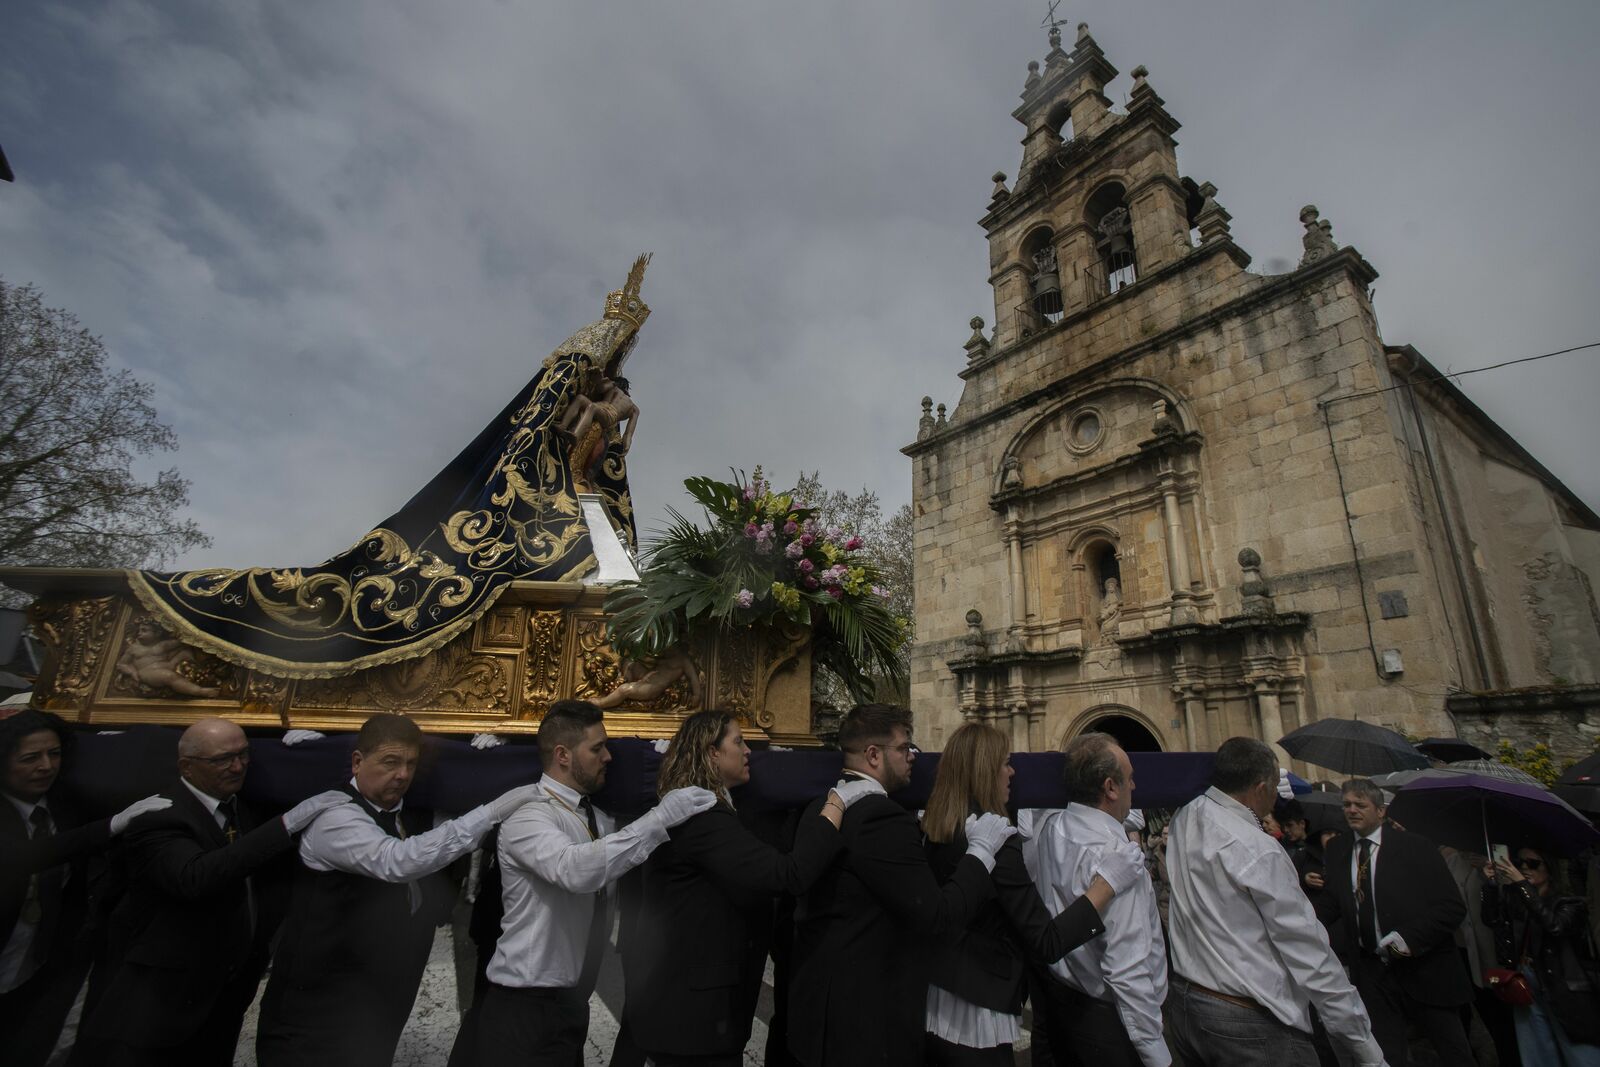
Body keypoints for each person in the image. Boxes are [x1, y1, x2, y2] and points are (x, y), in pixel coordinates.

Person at [255, 713, 545, 1067]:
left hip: (369, 1009)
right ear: (358, 762)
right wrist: (491, 812)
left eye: (411, 764)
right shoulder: (336, 817)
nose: (403, 775)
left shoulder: (403, 813)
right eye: (390, 762)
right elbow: (397, 860)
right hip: (315, 1014)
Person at [461, 700, 717, 1067]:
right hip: (523, 1008)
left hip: (568, 1005)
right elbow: (575, 870)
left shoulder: (594, 816)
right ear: (563, 755)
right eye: (597, 748)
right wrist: (659, 819)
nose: (609, 757)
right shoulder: (529, 816)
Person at [80, 718, 347, 1067]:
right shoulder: (161, 816)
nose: (237, 767)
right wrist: (285, 825)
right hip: (162, 1003)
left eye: (243, 755)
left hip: (224, 993)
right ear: (186, 766)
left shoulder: (242, 806)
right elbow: (195, 877)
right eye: (222, 759)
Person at [624, 710, 863, 1066]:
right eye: (738, 741)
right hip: (692, 1023)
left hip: (697, 1016)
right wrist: (835, 804)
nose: (748, 750)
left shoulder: (707, 810)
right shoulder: (700, 817)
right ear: (711, 753)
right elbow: (789, 874)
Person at [787, 704, 1014, 1067]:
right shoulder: (880, 816)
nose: (912, 757)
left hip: (820, 1010)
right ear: (874, 755)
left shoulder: (823, 804)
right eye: (905, 748)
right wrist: (981, 854)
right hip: (864, 1025)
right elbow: (935, 914)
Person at [924, 723, 1141, 1067]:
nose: (1011, 772)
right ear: (985, 770)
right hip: (980, 1007)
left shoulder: (940, 826)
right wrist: (1105, 886)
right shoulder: (996, 840)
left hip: (940, 993)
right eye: (1005, 763)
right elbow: (1047, 942)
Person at [1164, 737, 1385, 1067]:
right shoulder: (1258, 849)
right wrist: (1362, 1043)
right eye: (1273, 790)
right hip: (1248, 1021)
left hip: (1187, 1005)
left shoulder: (1185, 816)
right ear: (1261, 787)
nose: (1275, 800)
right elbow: (1308, 951)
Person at [0, 710, 171, 1067]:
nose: (46, 766)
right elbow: (22, 856)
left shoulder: (64, 801)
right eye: (30, 758)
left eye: (55, 754)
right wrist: (110, 826)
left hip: (36, 958)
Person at [1030, 732, 1170, 1067]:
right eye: (1130, 779)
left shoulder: (1052, 828)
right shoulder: (1118, 858)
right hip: (1112, 1024)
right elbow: (1127, 967)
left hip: (1066, 1006)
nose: (1134, 787)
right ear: (1109, 787)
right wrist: (1155, 1053)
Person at [1322, 778, 1472, 1066]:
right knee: (1386, 1056)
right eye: (1347, 805)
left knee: (1453, 1052)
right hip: (1371, 973)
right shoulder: (1338, 849)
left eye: (1360, 805)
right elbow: (1332, 901)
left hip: (1424, 968)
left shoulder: (1415, 847)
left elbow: (1452, 907)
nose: (1351, 810)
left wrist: (1409, 938)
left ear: (1380, 811)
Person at [1484, 845, 1600, 1065]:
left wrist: (1522, 884)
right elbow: (1491, 920)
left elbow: (1554, 925)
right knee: (1537, 1053)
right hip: (1526, 980)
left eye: (1533, 863)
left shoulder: (1569, 903)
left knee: (1580, 1054)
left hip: (1563, 987)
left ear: (1550, 868)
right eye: (1520, 863)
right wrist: (1490, 886)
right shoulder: (1517, 900)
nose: (1525, 868)